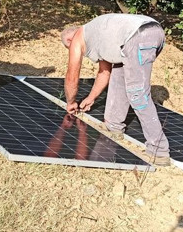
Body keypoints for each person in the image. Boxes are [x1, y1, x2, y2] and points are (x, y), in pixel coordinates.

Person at [60, 13, 171, 166]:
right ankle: (114, 127)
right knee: (118, 79)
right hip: (150, 32)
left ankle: (159, 150)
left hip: (139, 36)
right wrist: (90, 98)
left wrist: (71, 101)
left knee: (138, 94)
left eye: (69, 47)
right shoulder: (100, 33)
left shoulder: (78, 38)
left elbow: (72, 77)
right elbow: (104, 73)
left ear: (70, 40)